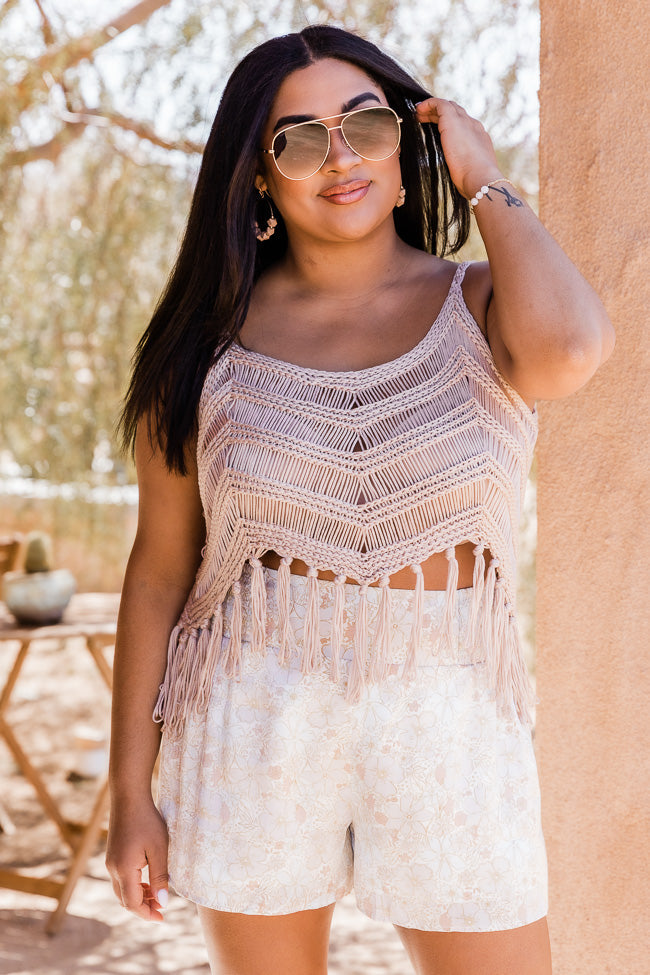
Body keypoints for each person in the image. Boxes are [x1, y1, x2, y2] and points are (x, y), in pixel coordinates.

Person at [106, 24, 614, 975]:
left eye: (367, 126)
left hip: (449, 702)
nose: (338, 159)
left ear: (403, 143)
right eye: (297, 140)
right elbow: (158, 572)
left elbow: (572, 351)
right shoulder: (201, 351)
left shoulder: (481, 303)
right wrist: (130, 795)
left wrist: (484, 182)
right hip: (254, 703)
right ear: (258, 176)